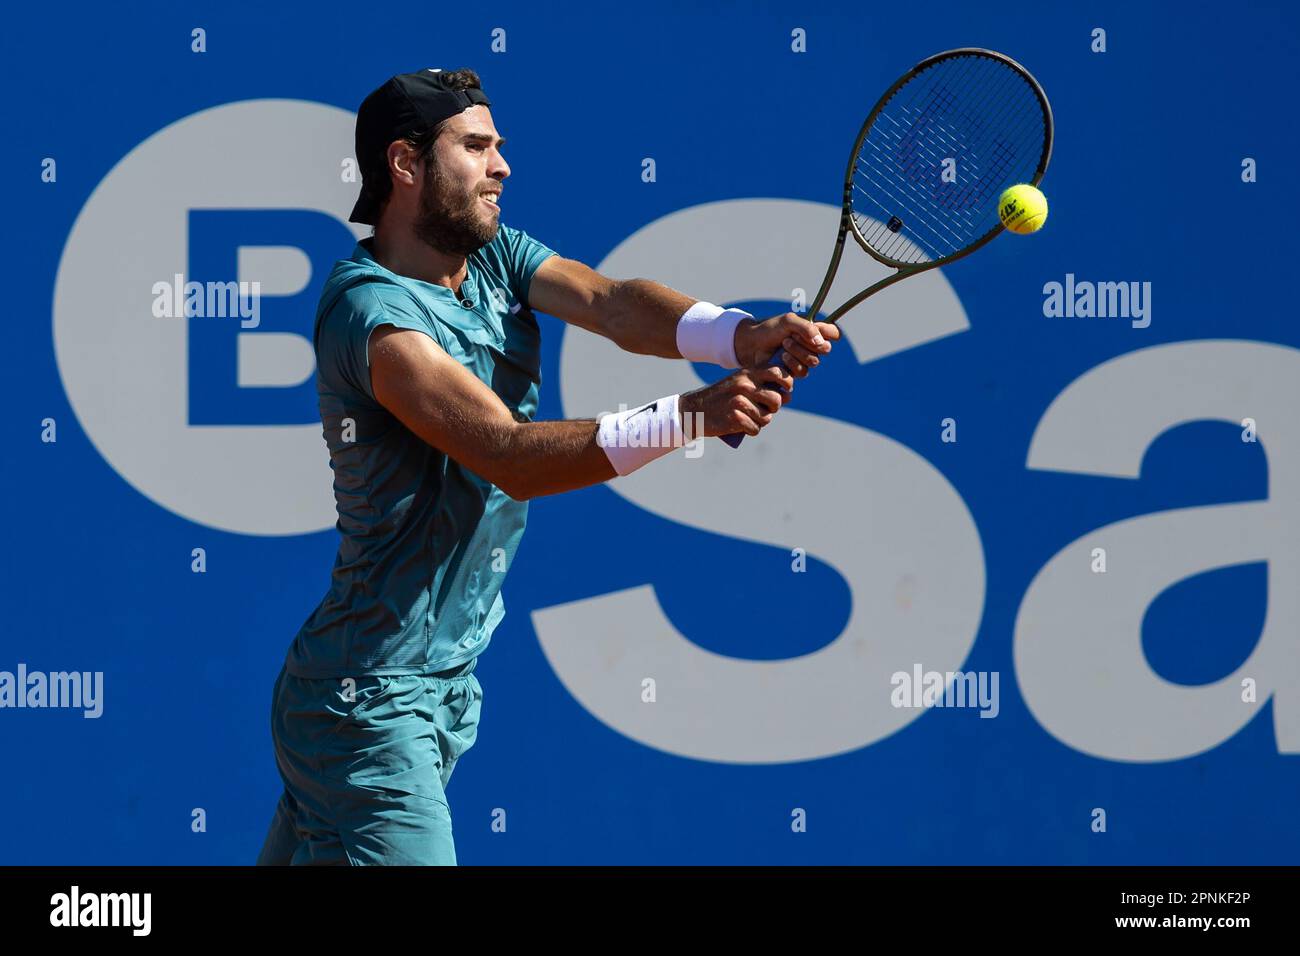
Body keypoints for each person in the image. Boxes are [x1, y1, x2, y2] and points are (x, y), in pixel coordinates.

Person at [257, 67, 839, 865]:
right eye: (477, 147)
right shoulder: (373, 316)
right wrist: (691, 414)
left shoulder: (492, 252)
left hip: (427, 690)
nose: (502, 166)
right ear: (405, 164)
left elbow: (611, 303)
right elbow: (507, 457)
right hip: (368, 704)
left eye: (499, 146)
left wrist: (738, 335)